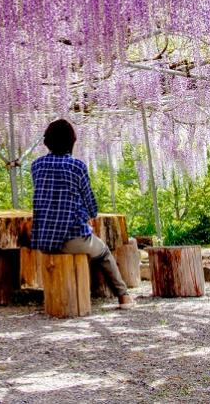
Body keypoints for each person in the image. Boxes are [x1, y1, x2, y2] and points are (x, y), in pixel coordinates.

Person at [31, 118, 133, 309]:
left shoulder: (36, 166)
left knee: (86, 242)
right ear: (72, 141)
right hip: (72, 240)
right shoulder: (77, 166)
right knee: (103, 253)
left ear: (47, 142)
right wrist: (86, 216)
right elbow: (91, 206)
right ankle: (124, 297)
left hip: (44, 241)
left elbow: (49, 198)